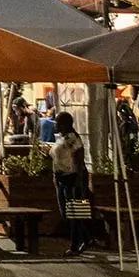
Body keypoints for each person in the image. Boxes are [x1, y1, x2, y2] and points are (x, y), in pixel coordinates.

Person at [50, 109, 91, 256]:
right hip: (62, 177)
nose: (55, 124)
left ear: (65, 124)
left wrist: (79, 181)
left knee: (74, 212)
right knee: (67, 212)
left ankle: (75, 245)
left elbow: (79, 159)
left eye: (58, 122)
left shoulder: (72, 138)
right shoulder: (61, 138)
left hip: (72, 178)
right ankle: (86, 238)